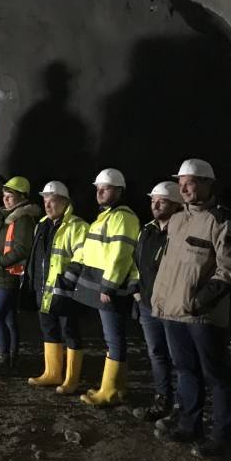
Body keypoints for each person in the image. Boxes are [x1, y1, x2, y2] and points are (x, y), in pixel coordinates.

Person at [153, 159, 231, 459]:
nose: (183, 188)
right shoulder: (177, 219)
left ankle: (223, 440)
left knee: (216, 376)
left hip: (203, 316)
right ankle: (190, 426)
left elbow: (227, 272)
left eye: (190, 182)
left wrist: (197, 302)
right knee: (185, 371)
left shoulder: (222, 221)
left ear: (207, 183)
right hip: (172, 313)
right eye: (180, 183)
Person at [61, 168, 140, 407]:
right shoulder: (105, 217)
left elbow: (120, 255)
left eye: (106, 188)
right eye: (98, 188)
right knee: (112, 336)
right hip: (102, 286)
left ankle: (109, 391)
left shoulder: (122, 218)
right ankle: (118, 387)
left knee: (113, 338)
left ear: (119, 191)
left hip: (110, 288)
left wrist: (109, 286)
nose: (100, 192)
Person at [24, 182, 89, 392]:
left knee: (70, 331)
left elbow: (82, 255)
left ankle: (71, 380)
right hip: (44, 289)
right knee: (49, 329)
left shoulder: (77, 226)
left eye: (52, 201)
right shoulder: (42, 224)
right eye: (45, 200)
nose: (47, 205)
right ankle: (52, 373)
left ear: (65, 202)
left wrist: (67, 280)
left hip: (65, 291)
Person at [132, 181, 183, 422]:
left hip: (173, 306)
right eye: (153, 200)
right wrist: (135, 290)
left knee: (179, 356)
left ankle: (183, 406)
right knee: (156, 353)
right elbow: (137, 262)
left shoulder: (182, 231)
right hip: (147, 304)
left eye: (162, 201)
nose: (156, 205)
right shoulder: (147, 231)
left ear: (176, 205)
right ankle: (163, 400)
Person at [0, 176, 40, 376]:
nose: (5, 199)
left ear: (22, 197)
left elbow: (23, 248)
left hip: (8, 275)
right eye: (4, 196)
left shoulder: (22, 219)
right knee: (8, 318)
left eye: (10, 196)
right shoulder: (10, 217)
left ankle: (3, 358)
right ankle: (12, 359)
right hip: (6, 274)